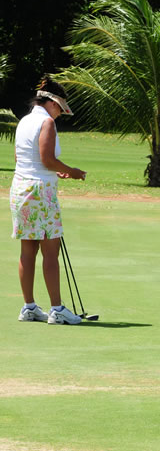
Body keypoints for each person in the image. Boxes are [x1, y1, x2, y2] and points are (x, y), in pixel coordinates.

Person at [10, 76, 88, 324]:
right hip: (40, 192)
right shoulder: (46, 122)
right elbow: (47, 159)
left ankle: (29, 307)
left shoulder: (24, 121)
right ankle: (57, 309)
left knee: (28, 250)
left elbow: (22, 159)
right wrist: (72, 171)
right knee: (51, 251)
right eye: (60, 109)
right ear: (53, 103)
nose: (60, 114)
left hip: (20, 188)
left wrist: (55, 171)